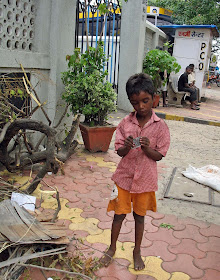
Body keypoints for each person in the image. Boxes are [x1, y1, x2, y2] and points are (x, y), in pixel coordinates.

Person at [100, 73, 170, 271]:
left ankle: (136, 251)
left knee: (139, 217)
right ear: (130, 102)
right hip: (123, 178)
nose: (140, 106)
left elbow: (159, 155)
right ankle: (111, 248)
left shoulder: (160, 126)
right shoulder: (125, 124)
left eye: (145, 101)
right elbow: (120, 152)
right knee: (118, 216)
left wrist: (147, 148)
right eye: (135, 103)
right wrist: (127, 147)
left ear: (154, 98)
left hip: (145, 181)